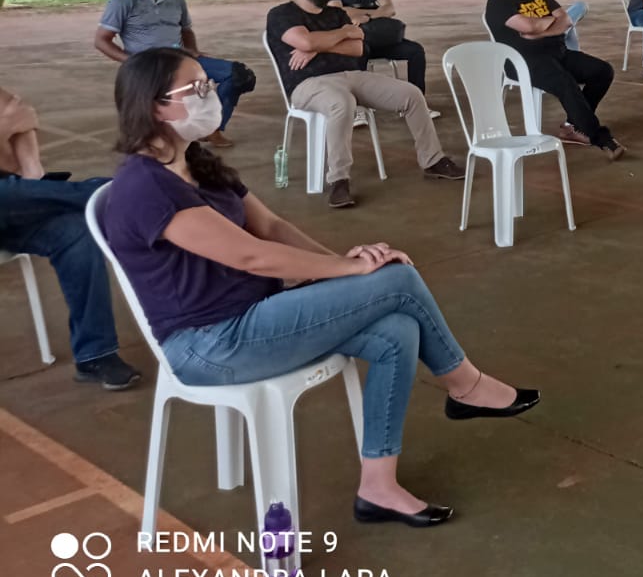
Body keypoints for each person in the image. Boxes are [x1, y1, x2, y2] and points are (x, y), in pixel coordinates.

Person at [103, 48, 539, 528]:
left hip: (257, 315)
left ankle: (379, 486)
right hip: (211, 343)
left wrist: (340, 262)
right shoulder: (144, 188)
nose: (212, 95)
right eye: (198, 89)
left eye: (209, 84)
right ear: (156, 106)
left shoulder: (197, 164)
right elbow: (249, 255)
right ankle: (465, 385)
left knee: (395, 329)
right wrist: (352, 272)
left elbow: (270, 227)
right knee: (395, 279)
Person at [266, 0, 465, 208]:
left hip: (352, 76)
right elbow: (304, 42)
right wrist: (335, 37)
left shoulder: (336, 13)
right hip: (308, 84)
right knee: (342, 103)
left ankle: (433, 160)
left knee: (411, 94)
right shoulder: (282, 14)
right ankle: (338, 181)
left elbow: (358, 46)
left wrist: (318, 45)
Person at [0, 87, 141, 390]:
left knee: (76, 230)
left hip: (18, 204)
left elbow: (23, 127)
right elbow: (13, 121)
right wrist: (5, 128)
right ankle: (124, 189)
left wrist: (27, 165)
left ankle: (95, 355)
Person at [95, 0, 251, 147]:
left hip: (181, 59)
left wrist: (193, 51)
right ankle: (170, 134)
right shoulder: (122, 3)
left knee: (239, 75)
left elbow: (186, 30)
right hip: (152, 64)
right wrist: (132, 61)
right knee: (166, 98)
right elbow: (101, 40)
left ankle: (213, 129)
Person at [486, 0, 627, 161]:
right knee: (565, 83)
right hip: (524, 61)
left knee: (602, 71)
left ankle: (573, 126)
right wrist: (546, 24)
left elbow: (565, 20)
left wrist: (540, 29)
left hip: (557, 52)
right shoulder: (498, 2)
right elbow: (528, 25)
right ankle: (601, 137)